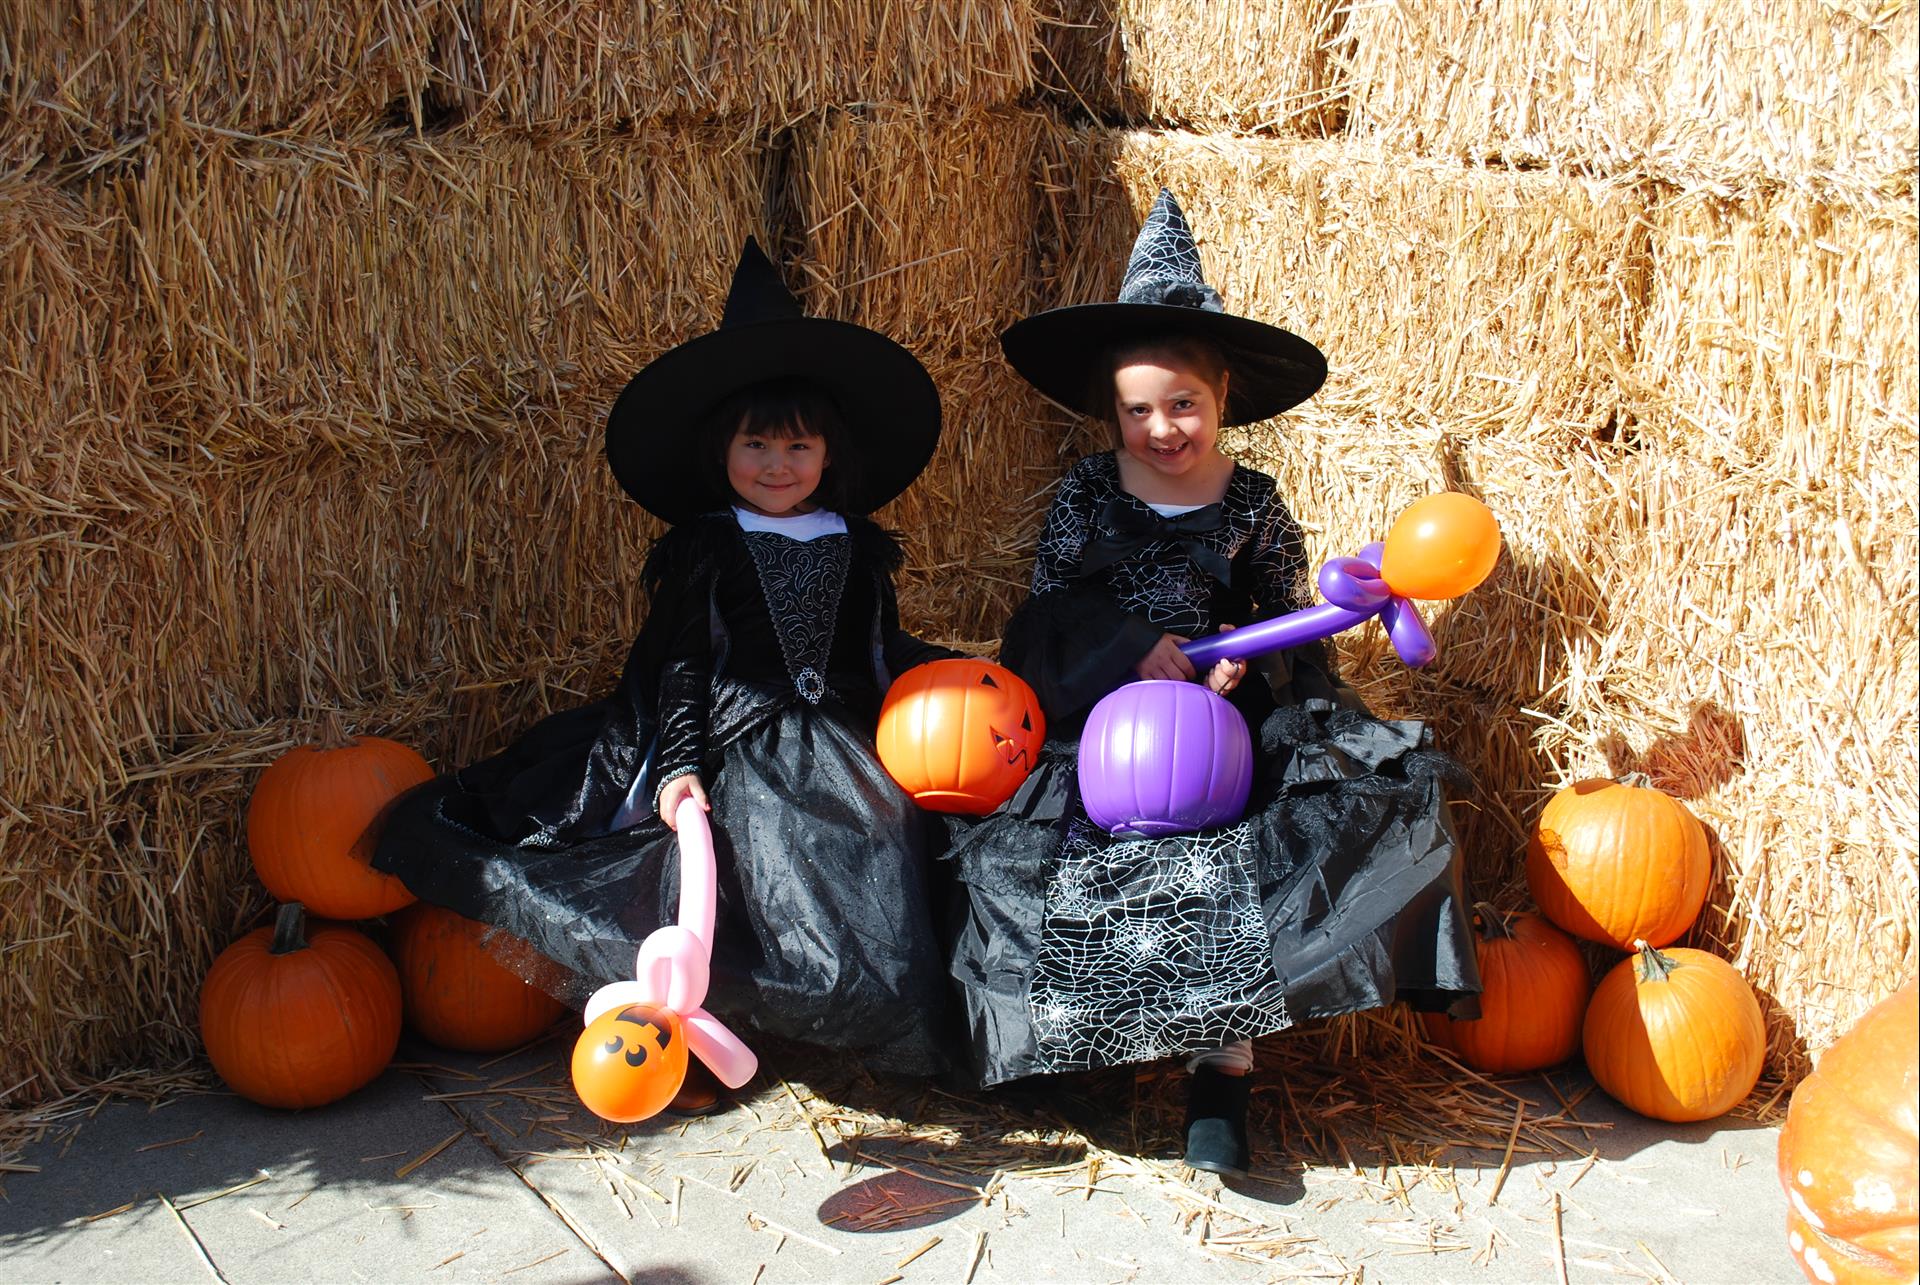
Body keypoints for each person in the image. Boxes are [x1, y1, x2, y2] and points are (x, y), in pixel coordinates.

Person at [944, 191, 1481, 1176]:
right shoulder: (1086, 496)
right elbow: (1044, 616)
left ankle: (1220, 1070)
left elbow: (1291, 619)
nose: (1163, 429)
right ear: (1113, 411)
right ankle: (1090, 1045)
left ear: (1223, 396)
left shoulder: (1255, 504)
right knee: (1047, 847)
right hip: (1098, 720)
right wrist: (1125, 645)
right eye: (1138, 409)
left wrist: (1246, 653)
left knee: (1254, 847)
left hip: (1228, 721)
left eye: (1182, 404)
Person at [374, 240, 961, 1105]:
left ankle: (844, 1022)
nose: (776, 464)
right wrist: (680, 762)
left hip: (843, 737)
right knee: (735, 870)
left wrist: (945, 693)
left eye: (797, 445)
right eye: (756, 443)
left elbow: (878, 653)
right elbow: (683, 664)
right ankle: (696, 1037)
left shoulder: (856, 545)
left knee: (876, 849)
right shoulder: (708, 546)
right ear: (720, 450)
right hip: (738, 741)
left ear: (830, 454)